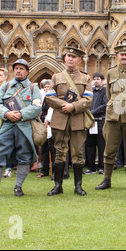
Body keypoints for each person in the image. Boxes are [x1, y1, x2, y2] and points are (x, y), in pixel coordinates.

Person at [0, 59, 42, 197]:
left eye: (22, 68)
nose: (18, 70)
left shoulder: (33, 88)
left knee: (24, 157)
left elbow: (37, 107)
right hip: (7, 126)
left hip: (24, 127)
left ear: (27, 71)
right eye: (16, 68)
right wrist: (7, 113)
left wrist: (21, 114)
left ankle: (18, 187)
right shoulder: (6, 87)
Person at [45, 46, 93, 196]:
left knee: (78, 152)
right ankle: (58, 186)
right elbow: (49, 97)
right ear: (65, 58)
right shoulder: (56, 77)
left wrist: (73, 106)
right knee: (59, 151)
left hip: (77, 119)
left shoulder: (85, 78)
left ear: (79, 60)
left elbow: (89, 99)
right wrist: (63, 106)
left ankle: (78, 186)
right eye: (68, 56)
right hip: (59, 119)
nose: (70, 59)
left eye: (74, 57)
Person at [96, 43, 126, 190]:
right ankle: (106, 179)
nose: (123, 57)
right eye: (121, 54)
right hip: (113, 116)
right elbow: (110, 95)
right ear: (117, 56)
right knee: (109, 149)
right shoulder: (110, 72)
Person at [84, 72, 107, 174]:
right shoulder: (91, 92)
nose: (96, 80)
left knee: (101, 144)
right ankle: (91, 167)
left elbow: (104, 105)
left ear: (102, 80)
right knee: (89, 145)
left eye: (98, 79)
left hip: (101, 120)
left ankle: (102, 167)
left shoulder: (105, 91)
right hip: (91, 122)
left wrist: (91, 112)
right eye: (95, 79)